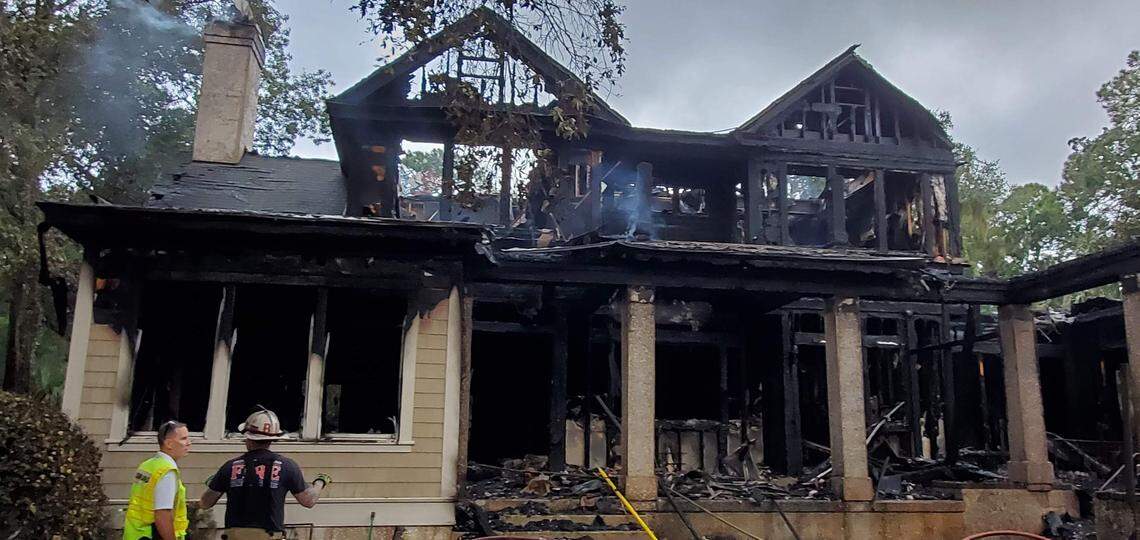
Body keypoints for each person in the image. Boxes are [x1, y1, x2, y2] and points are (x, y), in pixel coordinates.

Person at [199, 408, 330, 540]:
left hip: (235, 536)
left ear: (248, 437)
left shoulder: (229, 467)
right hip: (270, 536)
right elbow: (308, 500)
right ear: (273, 439)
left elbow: (205, 503)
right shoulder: (287, 467)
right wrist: (320, 482)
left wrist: (215, 482)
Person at [123, 420, 192, 540]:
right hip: (153, 535)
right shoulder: (167, 472)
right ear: (169, 444)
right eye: (183, 439)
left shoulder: (148, 465)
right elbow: (162, 514)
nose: (189, 443)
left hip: (136, 533)